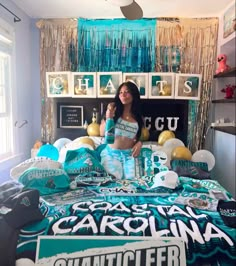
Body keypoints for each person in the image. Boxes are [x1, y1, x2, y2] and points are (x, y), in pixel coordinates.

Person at [100, 81, 144, 180]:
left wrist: (140, 142)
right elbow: (102, 133)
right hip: (111, 154)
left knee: (133, 181)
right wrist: (109, 117)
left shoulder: (138, 117)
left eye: (127, 92)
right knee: (113, 180)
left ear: (133, 95)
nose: (123, 94)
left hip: (130, 155)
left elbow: (141, 135)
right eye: (120, 92)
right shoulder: (113, 111)